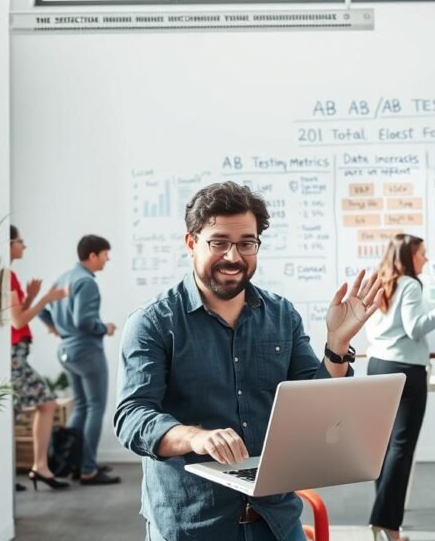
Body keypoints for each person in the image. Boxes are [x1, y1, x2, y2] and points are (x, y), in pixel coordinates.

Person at [114, 181, 383, 541]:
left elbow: (316, 406)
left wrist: (336, 345)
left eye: (246, 243)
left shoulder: (282, 314)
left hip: (275, 519)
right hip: (193, 524)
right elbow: (132, 417)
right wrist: (195, 437)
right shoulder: (153, 323)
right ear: (192, 243)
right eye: (219, 242)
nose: (233, 256)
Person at [365, 234, 435, 541]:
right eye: (423, 253)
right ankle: (386, 523)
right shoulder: (409, 284)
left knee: (384, 448)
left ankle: (386, 525)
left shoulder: (382, 281)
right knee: (401, 447)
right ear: (410, 256)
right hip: (406, 371)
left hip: (377, 366)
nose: (426, 259)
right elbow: (416, 327)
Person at [39, 234, 120, 485]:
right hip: (86, 350)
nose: (108, 259)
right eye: (106, 254)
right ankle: (87, 469)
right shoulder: (87, 282)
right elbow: (83, 321)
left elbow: (42, 308)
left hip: (67, 350)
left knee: (82, 406)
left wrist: (55, 329)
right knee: (95, 406)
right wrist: (104, 327)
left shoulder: (65, 277)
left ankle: (74, 463)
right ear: (93, 255)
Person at [9, 226, 70, 490]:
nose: (24, 246)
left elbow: (17, 313)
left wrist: (32, 296)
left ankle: (33, 468)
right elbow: (17, 319)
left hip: (17, 353)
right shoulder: (7, 275)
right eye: (20, 241)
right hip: (14, 355)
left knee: (22, 409)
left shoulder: (9, 275)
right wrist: (45, 298)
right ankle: (39, 466)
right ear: (8, 244)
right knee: (46, 403)